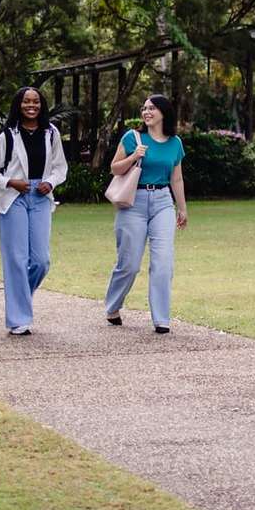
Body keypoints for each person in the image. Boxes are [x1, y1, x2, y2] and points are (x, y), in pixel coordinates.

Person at [0, 86, 67, 336]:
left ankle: (19, 301)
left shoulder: (51, 133)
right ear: (18, 105)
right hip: (13, 197)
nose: (32, 106)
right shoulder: (7, 136)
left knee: (41, 261)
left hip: (41, 196)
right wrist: (10, 182)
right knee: (17, 260)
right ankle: (19, 319)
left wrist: (50, 182)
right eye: (26, 101)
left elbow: (60, 167)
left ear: (42, 105)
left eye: (36, 102)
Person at [102, 94, 188, 333]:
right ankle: (113, 306)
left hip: (162, 201)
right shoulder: (133, 137)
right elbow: (114, 168)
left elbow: (176, 177)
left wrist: (181, 208)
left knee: (163, 262)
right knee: (129, 263)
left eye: (152, 108)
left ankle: (161, 319)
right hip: (133, 202)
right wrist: (134, 156)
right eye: (144, 108)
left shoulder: (175, 142)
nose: (147, 112)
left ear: (164, 112)